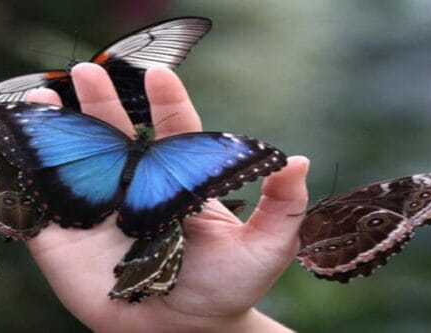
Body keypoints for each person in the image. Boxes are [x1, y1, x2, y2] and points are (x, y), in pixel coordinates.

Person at [24, 62, 309, 332]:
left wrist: (217, 324)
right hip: (150, 195)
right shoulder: (178, 150)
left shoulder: (105, 137)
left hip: (97, 184)